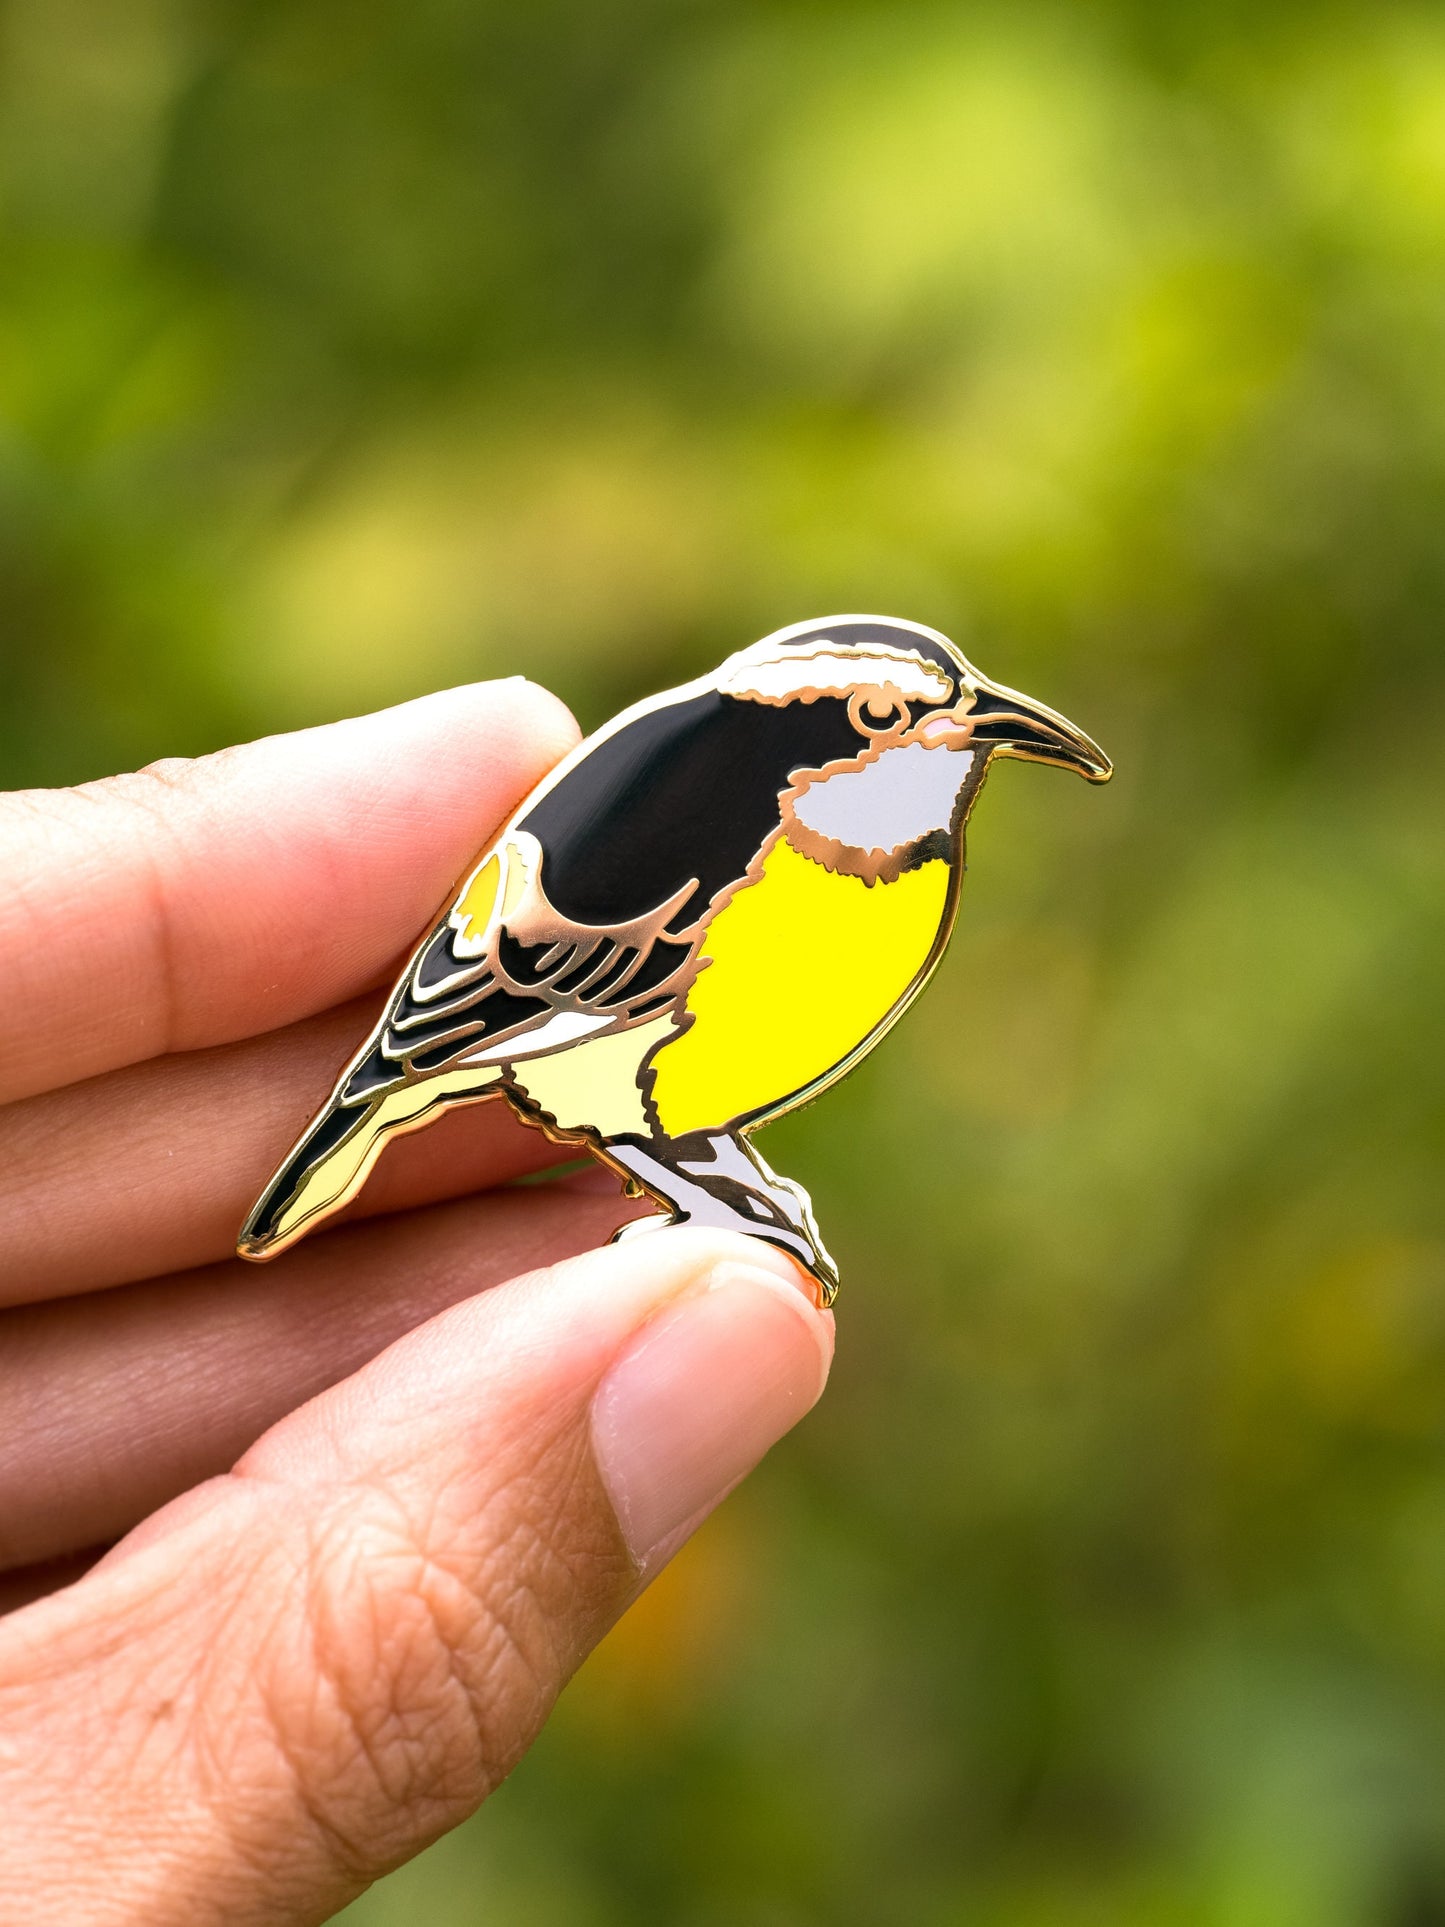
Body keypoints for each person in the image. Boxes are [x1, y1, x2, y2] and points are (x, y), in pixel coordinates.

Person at [0, 679, 834, 1923]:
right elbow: (571, 1022)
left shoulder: (878, 884)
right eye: (884, 724)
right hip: (527, 1037)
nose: (946, 747)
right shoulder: (736, 861)